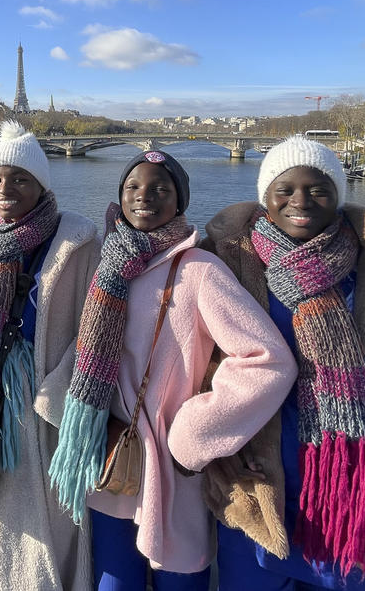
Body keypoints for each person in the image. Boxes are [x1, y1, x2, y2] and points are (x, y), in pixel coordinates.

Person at [202, 135, 365, 590]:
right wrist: (215, 452)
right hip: (260, 485)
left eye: (318, 189)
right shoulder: (227, 262)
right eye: (285, 188)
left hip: (350, 485)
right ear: (266, 197)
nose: (300, 201)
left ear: (339, 197)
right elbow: (196, 365)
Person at [48, 150, 297, 590]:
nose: (145, 197)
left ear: (179, 203)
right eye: (133, 188)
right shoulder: (111, 264)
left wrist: (194, 434)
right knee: (113, 580)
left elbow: (267, 360)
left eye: (160, 189)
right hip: (110, 455)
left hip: (171, 464)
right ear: (119, 198)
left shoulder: (200, 270)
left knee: (179, 580)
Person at [0, 120, 101, 591]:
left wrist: (57, 396)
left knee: (51, 520)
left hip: (46, 404)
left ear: (42, 185)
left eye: (19, 179)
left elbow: (92, 328)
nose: (4, 189)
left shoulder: (79, 240)